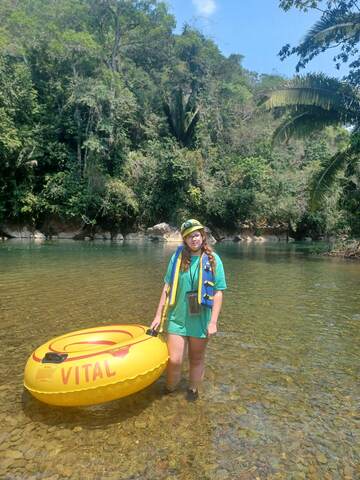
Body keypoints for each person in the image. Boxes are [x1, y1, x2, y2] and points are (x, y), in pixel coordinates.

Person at [150, 219, 227, 401]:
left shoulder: (213, 260)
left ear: (202, 236)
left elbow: (218, 292)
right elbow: (167, 287)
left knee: (196, 359)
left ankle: (193, 391)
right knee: (174, 360)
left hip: (201, 319)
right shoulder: (177, 258)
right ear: (184, 240)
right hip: (177, 317)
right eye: (189, 236)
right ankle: (169, 390)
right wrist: (157, 316)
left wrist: (213, 322)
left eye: (196, 235)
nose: (194, 239)